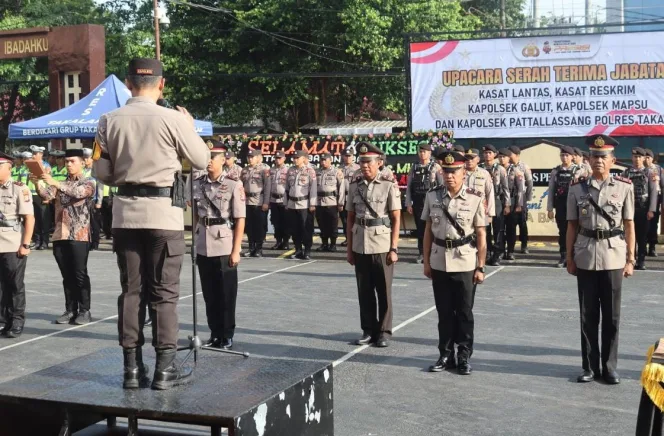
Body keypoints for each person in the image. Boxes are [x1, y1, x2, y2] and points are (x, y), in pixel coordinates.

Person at [92, 58, 210, 390]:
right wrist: (190, 127)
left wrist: (127, 173)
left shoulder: (107, 120)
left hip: (126, 213)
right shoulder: (174, 119)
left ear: (128, 84)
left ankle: (131, 370)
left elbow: (101, 172)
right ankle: (164, 371)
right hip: (163, 214)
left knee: (132, 291)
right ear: (162, 84)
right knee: (164, 294)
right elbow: (201, 160)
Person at [566, 134, 635, 385]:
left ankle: (609, 367)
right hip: (585, 256)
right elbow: (571, 226)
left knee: (612, 316)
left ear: (612, 160)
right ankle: (589, 367)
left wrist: (630, 259)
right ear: (588, 159)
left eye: (603, 157)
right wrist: (569, 256)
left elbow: (629, 225)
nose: (598, 160)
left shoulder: (624, 187)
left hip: (614, 257)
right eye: (594, 156)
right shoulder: (577, 188)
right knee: (587, 315)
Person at [422, 149, 486, 375]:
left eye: (454, 171)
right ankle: (445, 354)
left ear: (463, 172)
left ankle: (464, 355)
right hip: (440, 261)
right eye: (446, 171)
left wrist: (480, 266)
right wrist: (427, 261)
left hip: (465, 262)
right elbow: (428, 230)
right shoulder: (433, 196)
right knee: (444, 312)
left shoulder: (475, 197)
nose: (450, 176)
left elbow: (480, 234)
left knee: (465, 312)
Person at [345, 142, 401, 348]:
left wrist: (394, 248)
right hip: (360, 244)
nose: (365, 166)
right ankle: (368, 330)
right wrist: (349, 249)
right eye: (362, 162)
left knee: (384, 290)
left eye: (368, 162)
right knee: (364, 290)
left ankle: (384, 331)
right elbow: (350, 218)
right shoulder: (354, 185)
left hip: (382, 245)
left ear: (379, 163)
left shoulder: (388, 185)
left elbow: (396, 218)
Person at [192, 141, 246, 350]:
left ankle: (227, 335)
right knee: (209, 293)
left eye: (212, 157)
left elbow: (240, 218)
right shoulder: (198, 184)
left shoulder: (234, 184)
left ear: (223, 160)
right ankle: (214, 333)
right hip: (203, 243)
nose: (208, 162)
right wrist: (194, 239)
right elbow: (196, 213)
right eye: (206, 157)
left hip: (224, 244)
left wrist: (236, 249)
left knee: (226, 293)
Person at [34, 149, 96, 325]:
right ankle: (70, 310)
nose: (68, 164)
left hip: (79, 234)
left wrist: (53, 182)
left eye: (72, 161)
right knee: (66, 274)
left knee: (79, 273)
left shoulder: (89, 181)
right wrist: (39, 182)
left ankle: (85, 310)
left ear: (82, 163)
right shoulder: (60, 182)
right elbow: (47, 196)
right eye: (67, 161)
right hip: (60, 233)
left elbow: (78, 193)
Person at [0, 152, 34, 338]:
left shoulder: (19, 189)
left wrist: (26, 244)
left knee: (14, 285)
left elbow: (29, 218)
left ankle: (17, 321)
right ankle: (3, 320)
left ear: (9, 168)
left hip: (13, 244)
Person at [406, 142, 442, 264]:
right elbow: (409, 185)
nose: (422, 154)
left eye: (424, 152)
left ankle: (434, 251)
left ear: (429, 153)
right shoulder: (414, 167)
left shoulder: (436, 167)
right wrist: (408, 203)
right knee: (420, 228)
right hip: (417, 201)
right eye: (420, 151)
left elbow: (441, 185)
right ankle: (422, 252)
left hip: (432, 200)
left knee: (434, 227)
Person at [621, 147, 657, 270]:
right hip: (629, 208)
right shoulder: (626, 173)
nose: (637, 159)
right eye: (635, 157)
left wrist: (651, 210)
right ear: (632, 158)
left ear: (643, 158)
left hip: (643, 208)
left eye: (639, 157)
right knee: (629, 235)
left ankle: (641, 261)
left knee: (642, 236)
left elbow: (653, 193)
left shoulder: (649, 173)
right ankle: (630, 259)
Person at [547, 146, 580, 268]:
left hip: (575, 205)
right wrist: (550, 208)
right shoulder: (555, 171)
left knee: (576, 231)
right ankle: (563, 256)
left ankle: (575, 256)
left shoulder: (579, 170)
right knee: (563, 232)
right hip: (561, 205)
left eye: (567, 155)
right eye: (562, 155)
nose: (564, 157)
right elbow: (551, 190)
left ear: (572, 157)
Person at [285, 150, 317, 260]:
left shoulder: (309, 171)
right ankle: (298, 249)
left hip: (304, 204)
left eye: (297, 158)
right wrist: (286, 203)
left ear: (303, 158)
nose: (295, 159)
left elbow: (313, 188)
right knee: (295, 229)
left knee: (306, 228)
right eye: (294, 158)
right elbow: (286, 188)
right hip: (292, 204)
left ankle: (307, 250)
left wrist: (312, 204)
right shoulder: (290, 170)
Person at [481, 145, 509, 266]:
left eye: (490, 153)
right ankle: (486, 253)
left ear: (494, 155)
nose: (487, 155)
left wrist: (507, 204)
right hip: (483, 201)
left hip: (497, 201)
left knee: (498, 229)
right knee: (484, 228)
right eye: (486, 153)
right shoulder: (480, 168)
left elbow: (506, 188)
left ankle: (497, 254)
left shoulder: (500, 169)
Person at [240, 149, 271, 257]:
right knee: (249, 227)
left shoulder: (264, 170)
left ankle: (259, 248)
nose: (250, 159)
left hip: (259, 201)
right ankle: (251, 247)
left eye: (252, 157)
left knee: (259, 226)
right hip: (247, 202)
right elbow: (241, 186)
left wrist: (266, 202)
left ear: (258, 157)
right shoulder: (244, 170)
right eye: (249, 157)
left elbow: (267, 187)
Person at [464, 148, 494, 259]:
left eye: (472, 158)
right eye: (467, 158)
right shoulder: (459, 172)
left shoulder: (484, 173)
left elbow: (490, 193)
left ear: (478, 159)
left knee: (483, 233)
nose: (469, 161)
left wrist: (490, 213)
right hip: (464, 208)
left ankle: (484, 254)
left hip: (481, 209)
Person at [498, 148, 524, 261]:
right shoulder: (496, 169)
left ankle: (511, 251)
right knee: (499, 228)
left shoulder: (515, 170)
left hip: (512, 201)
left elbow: (520, 189)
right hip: (499, 200)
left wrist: (519, 204)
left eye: (504, 157)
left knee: (511, 228)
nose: (501, 159)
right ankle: (500, 250)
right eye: (499, 157)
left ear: (509, 158)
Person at [315, 153, 345, 252]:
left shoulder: (336, 172)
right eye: (322, 160)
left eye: (325, 160)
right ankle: (324, 244)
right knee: (322, 224)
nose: (323, 162)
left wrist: (340, 203)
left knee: (332, 224)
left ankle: (333, 244)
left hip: (332, 202)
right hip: (319, 202)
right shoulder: (317, 172)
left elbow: (341, 188)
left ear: (330, 161)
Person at [508, 146, 532, 254]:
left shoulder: (524, 166)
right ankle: (511, 247)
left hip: (522, 197)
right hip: (511, 198)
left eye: (510, 154)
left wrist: (527, 198)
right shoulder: (507, 166)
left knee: (522, 223)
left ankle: (524, 245)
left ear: (517, 155)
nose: (509, 156)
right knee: (511, 224)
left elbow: (530, 183)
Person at [27, 145, 51, 250]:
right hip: (31, 195)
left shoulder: (46, 166)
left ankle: (44, 241)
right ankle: (37, 241)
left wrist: (48, 197)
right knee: (35, 219)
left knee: (43, 219)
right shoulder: (30, 165)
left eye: (35, 153)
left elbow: (49, 182)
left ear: (41, 154)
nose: (33, 155)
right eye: (32, 153)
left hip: (42, 195)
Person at [269, 150, 290, 250]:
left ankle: (286, 242)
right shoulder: (271, 170)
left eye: (279, 158)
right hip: (273, 199)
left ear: (284, 159)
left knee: (285, 222)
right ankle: (278, 241)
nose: (277, 160)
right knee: (275, 222)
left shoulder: (288, 170)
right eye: (276, 158)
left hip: (283, 199)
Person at [339, 148, 359, 247]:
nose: (347, 158)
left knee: (355, 219)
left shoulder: (357, 168)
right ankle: (348, 238)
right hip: (343, 197)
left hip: (354, 197)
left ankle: (355, 239)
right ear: (343, 157)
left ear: (353, 157)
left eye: (349, 156)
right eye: (346, 156)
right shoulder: (339, 168)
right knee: (345, 220)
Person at [644, 148, 662, 257]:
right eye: (644, 157)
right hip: (642, 201)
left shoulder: (658, 169)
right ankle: (642, 247)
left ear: (652, 159)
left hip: (655, 201)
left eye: (648, 157)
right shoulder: (639, 170)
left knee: (653, 226)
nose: (646, 159)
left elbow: (663, 186)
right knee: (642, 226)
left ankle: (652, 247)